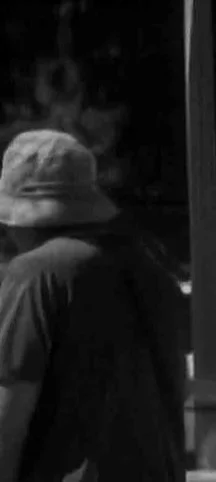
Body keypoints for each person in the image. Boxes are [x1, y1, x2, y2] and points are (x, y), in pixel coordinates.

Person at [0, 130, 186, 482]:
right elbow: (177, 389)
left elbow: (9, 412)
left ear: (18, 218)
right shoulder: (152, 269)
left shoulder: (37, 273)